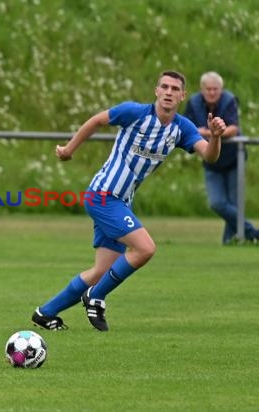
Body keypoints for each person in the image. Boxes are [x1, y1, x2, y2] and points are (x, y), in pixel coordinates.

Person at [31, 70, 226, 332]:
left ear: (182, 95)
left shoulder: (182, 128)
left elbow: (209, 156)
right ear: (156, 91)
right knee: (145, 248)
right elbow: (97, 121)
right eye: (164, 87)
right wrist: (68, 150)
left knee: (102, 271)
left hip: (120, 202)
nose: (168, 92)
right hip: (103, 195)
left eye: (174, 88)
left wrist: (215, 136)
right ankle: (95, 297)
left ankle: (45, 313)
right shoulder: (134, 112)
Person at [184, 71, 258, 244]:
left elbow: (234, 128)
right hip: (211, 161)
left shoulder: (229, 100)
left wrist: (210, 132)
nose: (212, 92)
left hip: (234, 159)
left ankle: (229, 242)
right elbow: (187, 127)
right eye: (208, 89)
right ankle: (253, 232)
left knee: (234, 204)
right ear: (202, 89)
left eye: (215, 89)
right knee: (217, 203)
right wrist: (210, 132)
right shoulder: (193, 103)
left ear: (221, 89)